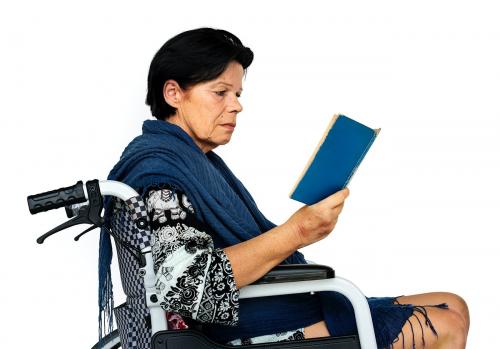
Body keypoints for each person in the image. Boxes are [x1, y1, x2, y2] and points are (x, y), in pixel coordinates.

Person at [102, 27, 470, 349]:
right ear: (173, 93)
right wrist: (297, 232)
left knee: (454, 304)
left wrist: (300, 230)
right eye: (221, 93)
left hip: (270, 304)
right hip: (240, 328)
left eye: (238, 94)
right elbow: (188, 286)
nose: (237, 106)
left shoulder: (193, 161)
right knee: (446, 325)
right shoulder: (158, 175)